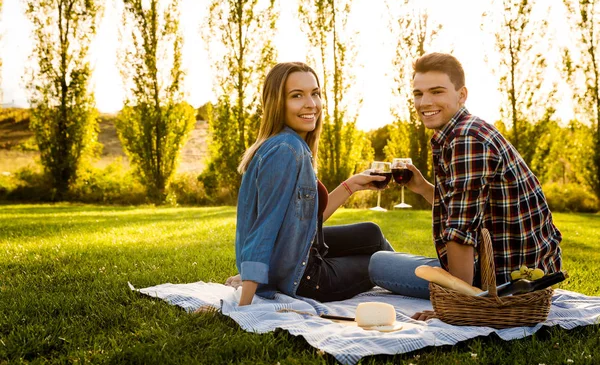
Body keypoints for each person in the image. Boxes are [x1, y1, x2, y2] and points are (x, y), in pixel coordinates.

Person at [368, 53, 563, 320]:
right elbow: (468, 206)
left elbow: (461, 231)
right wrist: (424, 187)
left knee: (378, 264)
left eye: (437, 92)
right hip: (526, 267)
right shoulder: (463, 131)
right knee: (385, 259)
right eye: (418, 94)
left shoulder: (466, 140)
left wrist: (456, 306)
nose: (425, 102)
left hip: (503, 281)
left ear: (462, 95)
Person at [227, 62, 394, 306]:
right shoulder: (287, 150)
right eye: (297, 96)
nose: (311, 104)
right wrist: (245, 302)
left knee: (372, 232)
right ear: (277, 103)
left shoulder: (284, 144)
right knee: (381, 262)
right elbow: (263, 228)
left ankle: (421, 271)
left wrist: (353, 184)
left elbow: (303, 222)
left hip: (297, 252)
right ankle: (438, 283)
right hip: (307, 277)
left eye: (315, 93)